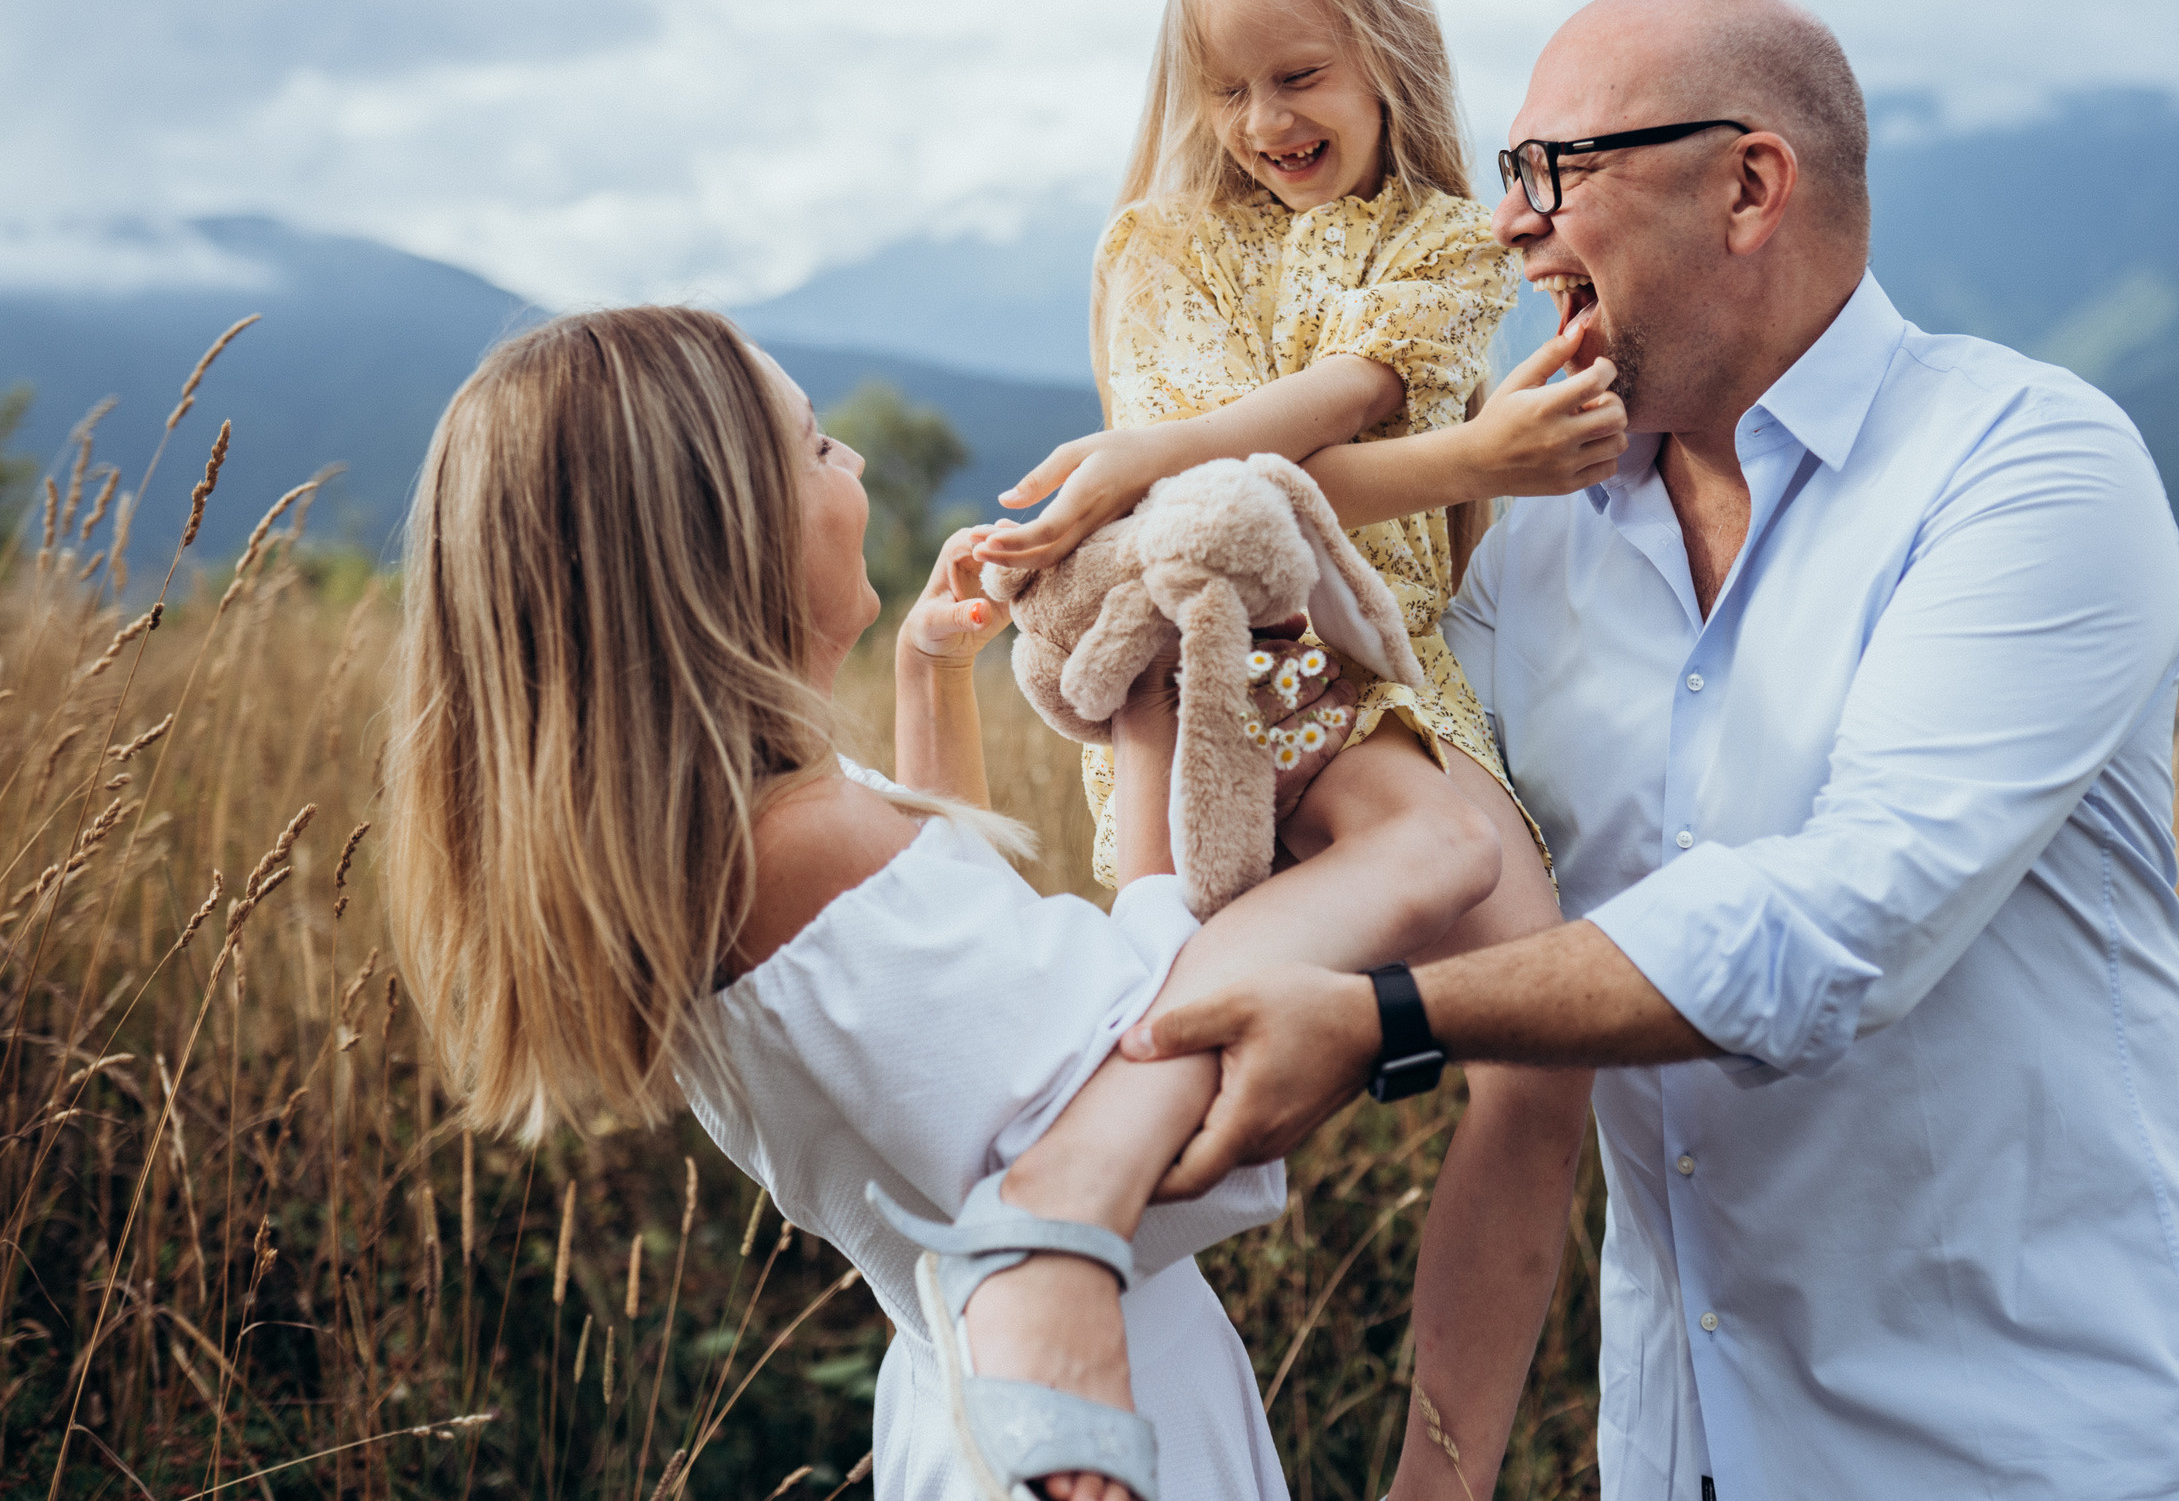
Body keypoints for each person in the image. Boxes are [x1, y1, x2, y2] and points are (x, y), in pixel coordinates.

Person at [1123, 0, 2179, 1501]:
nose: (1513, 224)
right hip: (1687, 1456)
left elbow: (1842, 920)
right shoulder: (1532, 538)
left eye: (1557, 173)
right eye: (1509, 172)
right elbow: (1376, 796)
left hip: (2031, 1453)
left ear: (1747, 184)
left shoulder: (2026, 466)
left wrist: (1386, 1015)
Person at [377, 307, 1573, 1501]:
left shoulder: (729, 850)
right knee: (1443, 849)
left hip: (977, 1392)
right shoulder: (799, 847)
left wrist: (930, 675)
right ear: (716, 542)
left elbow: (952, 1038)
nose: (849, 464)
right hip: (1086, 1406)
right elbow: (1142, 1060)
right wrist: (1153, 728)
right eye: (812, 449)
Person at [977, 0, 1625, 1495]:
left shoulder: (1443, 244)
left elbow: (1337, 407)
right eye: (1229, 85)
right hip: (1224, 655)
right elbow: (1223, 520)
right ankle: (1086, 1166)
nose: (1264, 116)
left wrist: (1155, 454)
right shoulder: (1163, 244)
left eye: (1299, 74)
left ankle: (1441, 1472)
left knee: (1544, 1029)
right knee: (1428, 853)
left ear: (1387, 52)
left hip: (1387, 671)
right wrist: (1474, 461)